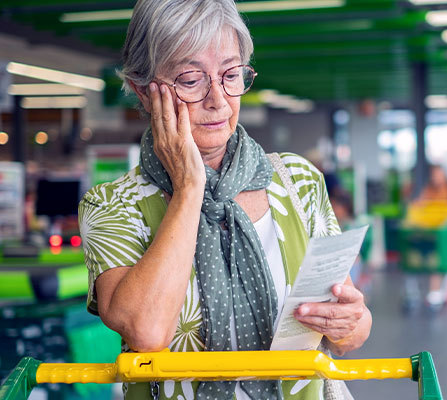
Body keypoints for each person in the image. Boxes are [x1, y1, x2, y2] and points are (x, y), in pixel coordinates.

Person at [78, 1, 372, 399]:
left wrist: (349, 323)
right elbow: (147, 332)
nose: (218, 99)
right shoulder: (113, 204)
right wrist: (189, 189)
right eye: (190, 79)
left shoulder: (298, 182)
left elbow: (350, 331)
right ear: (142, 92)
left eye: (231, 74)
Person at [414, 164, 447, 307]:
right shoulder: (429, 189)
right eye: (434, 174)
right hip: (434, 232)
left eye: (439, 174)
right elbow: (420, 202)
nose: (436, 177)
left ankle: (444, 291)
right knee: (437, 262)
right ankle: (437, 292)